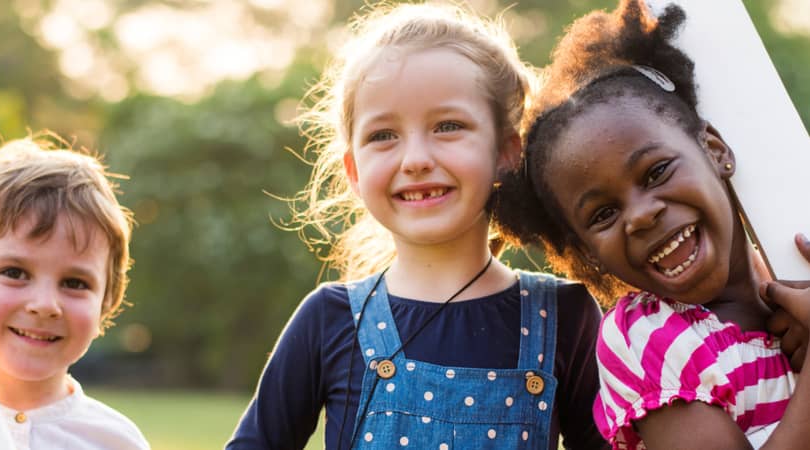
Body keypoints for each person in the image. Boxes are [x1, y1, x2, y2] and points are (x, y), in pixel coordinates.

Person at [226, 3, 608, 449]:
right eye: (383, 135)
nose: (416, 160)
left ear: (506, 151)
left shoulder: (566, 316)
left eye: (448, 126)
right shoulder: (329, 319)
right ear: (353, 170)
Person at [493, 0, 810, 448]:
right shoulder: (646, 340)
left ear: (715, 150)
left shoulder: (792, 266)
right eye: (602, 214)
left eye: (656, 172)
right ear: (586, 253)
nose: (641, 215)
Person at [0, 136, 149, 450]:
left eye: (74, 283)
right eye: (15, 273)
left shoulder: (116, 442)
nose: (45, 305)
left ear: (106, 303)